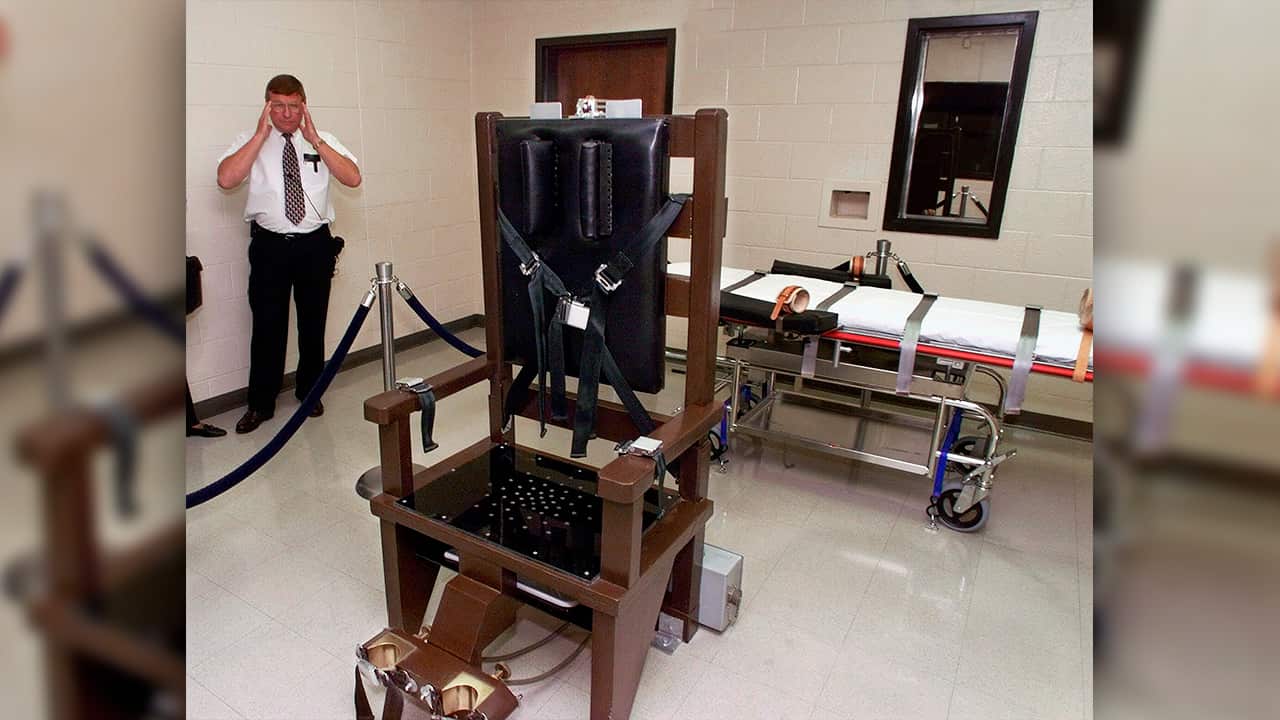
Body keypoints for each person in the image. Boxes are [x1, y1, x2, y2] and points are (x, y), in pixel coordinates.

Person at [216, 74, 361, 434]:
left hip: (314, 243)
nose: (285, 113)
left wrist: (315, 141)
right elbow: (227, 179)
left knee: (313, 323)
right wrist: (260, 136)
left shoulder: (323, 140)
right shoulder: (250, 142)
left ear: (303, 106)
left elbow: (353, 178)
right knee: (267, 326)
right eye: (277, 105)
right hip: (269, 246)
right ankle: (260, 403)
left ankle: (310, 392)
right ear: (267, 106)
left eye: (292, 106)